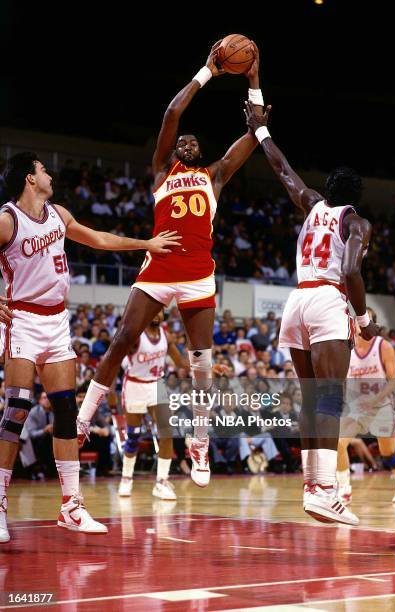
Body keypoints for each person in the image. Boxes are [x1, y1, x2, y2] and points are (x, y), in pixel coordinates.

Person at [76, 40, 263, 488]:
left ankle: (199, 443)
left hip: (199, 274)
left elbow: (255, 134)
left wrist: (253, 82)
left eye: (195, 140)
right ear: (174, 151)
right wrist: (206, 72)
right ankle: (83, 417)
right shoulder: (162, 174)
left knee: (201, 364)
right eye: (184, 141)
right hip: (158, 268)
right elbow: (172, 116)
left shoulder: (214, 176)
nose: (188, 140)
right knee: (122, 338)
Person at [0, 152, 178, 542]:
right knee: (17, 408)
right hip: (23, 320)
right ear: (30, 179)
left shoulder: (58, 214)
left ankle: (72, 506)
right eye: (42, 169)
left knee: (66, 410)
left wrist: (144, 243)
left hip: (57, 320)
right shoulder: (7, 218)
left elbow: (97, 239)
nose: (49, 173)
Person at [245, 102, 379, 525]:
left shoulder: (312, 204)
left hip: (296, 300)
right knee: (330, 399)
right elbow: (352, 270)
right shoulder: (356, 224)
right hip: (325, 302)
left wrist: (261, 132)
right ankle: (326, 490)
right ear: (356, 198)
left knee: (310, 399)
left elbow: (283, 169)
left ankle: (314, 489)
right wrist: (362, 319)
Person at [337, 308, 395, 503]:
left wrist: (374, 400)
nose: (358, 322)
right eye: (356, 319)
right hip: (356, 408)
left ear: (371, 324)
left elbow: (393, 381)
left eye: (362, 319)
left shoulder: (383, 346)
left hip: (381, 406)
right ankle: (344, 489)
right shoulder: (347, 349)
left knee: (388, 453)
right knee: (337, 443)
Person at [117, 310, 185, 500]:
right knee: (133, 436)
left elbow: (181, 363)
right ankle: (126, 478)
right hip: (135, 385)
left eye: (159, 311)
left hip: (156, 384)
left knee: (167, 432)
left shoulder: (166, 335)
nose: (155, 314)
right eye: (152, 311)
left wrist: (207, 368)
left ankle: (161, 482)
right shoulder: (135, 335)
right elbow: (114, 358)